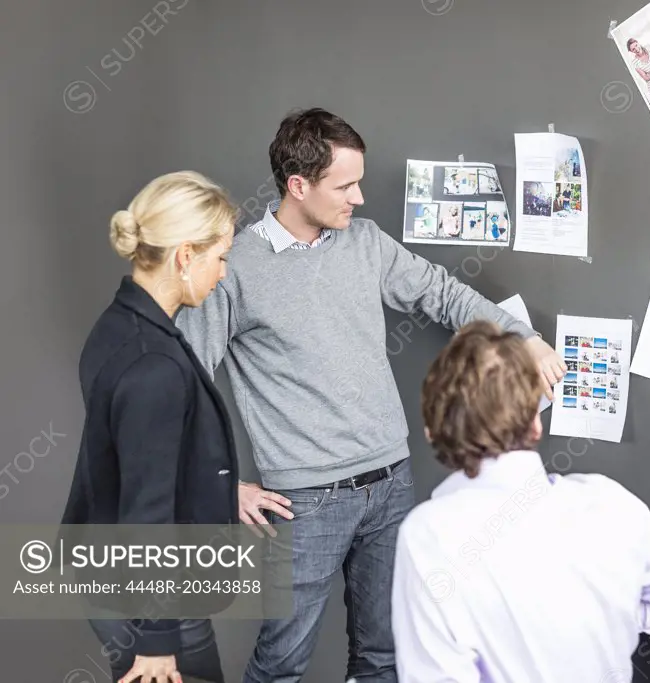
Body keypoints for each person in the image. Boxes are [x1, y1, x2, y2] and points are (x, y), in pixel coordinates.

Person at [173, 107, 565, 683]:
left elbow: (443, 295)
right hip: (304, 503)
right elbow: (179, 383)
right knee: (282, 663)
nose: (358, 197)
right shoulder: (234, 267)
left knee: (384, 656)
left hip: (391, 486)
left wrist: (523, 340)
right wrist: (221, 485)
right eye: (345, 185)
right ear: (298, 185)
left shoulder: (366, 242)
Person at [392, 321, 650, 683]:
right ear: (535, 423)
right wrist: (611, 616)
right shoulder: (608, 502)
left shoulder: (427, 535)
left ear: (433, 430)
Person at [61, 171, 240, 683]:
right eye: (220, 257)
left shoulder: (120, 324)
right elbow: (148, 510)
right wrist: (157, 641)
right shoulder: (153, 365)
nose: (223, 273)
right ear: (185, 255)